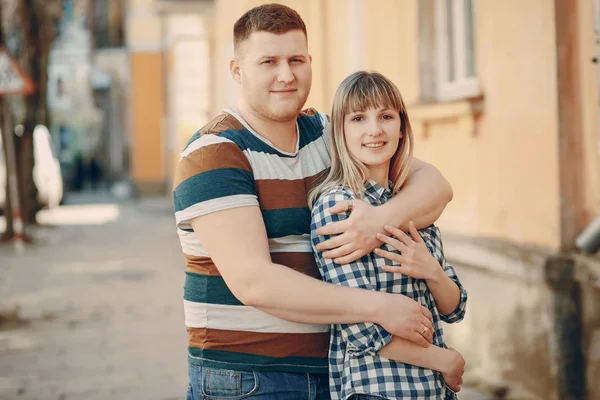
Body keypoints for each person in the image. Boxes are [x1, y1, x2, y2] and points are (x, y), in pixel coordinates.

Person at [173, 4, 455, 400]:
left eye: (296, 60)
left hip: (337, 371)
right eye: (268, 61)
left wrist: (378, 221)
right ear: (237, 70)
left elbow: (435, 185)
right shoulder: (215, 152)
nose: (286, 75)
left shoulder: (326, 133)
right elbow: (255, 282)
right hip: (248, 377)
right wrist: (377, 308)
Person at [309, 71, 468, 400]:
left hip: (432, 391)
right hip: (376, 389)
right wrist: (444, 359)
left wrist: (432, 272)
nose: (374, 130)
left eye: (385, 116)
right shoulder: (338, 207)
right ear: (340, 131)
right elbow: (359, 328)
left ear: (401, 126)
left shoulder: (410, 204)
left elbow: (454, 308)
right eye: (358, 118)